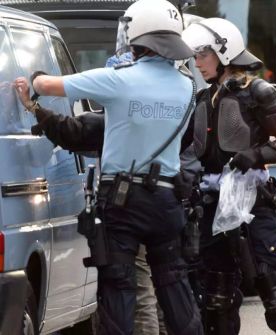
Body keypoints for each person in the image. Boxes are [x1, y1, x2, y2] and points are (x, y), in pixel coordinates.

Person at [21, 0, 203, 333]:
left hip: (123, 201)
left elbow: (50, 85)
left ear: (136, 36)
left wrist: (33, 82)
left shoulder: (119, 80)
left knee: (119, 286)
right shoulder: (187, 87)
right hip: (167, 201)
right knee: (175, 284)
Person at [15, 51, 168, 335]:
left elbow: (71, 131)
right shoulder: (166, 105)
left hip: (129, 209)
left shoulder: (116, 120)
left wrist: (33, 105)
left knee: (136, 288)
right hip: (164, 206)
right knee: (154, 289)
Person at [181, 18, 276, 335]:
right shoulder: (199, 100)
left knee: (274, 285)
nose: (197, 63)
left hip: (253, 202)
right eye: (194, 56)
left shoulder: (258, 92)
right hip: (211, 207)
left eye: (203, 55)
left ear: (224, 53)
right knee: (216, 296)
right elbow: (180, 148)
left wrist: (257, 154)